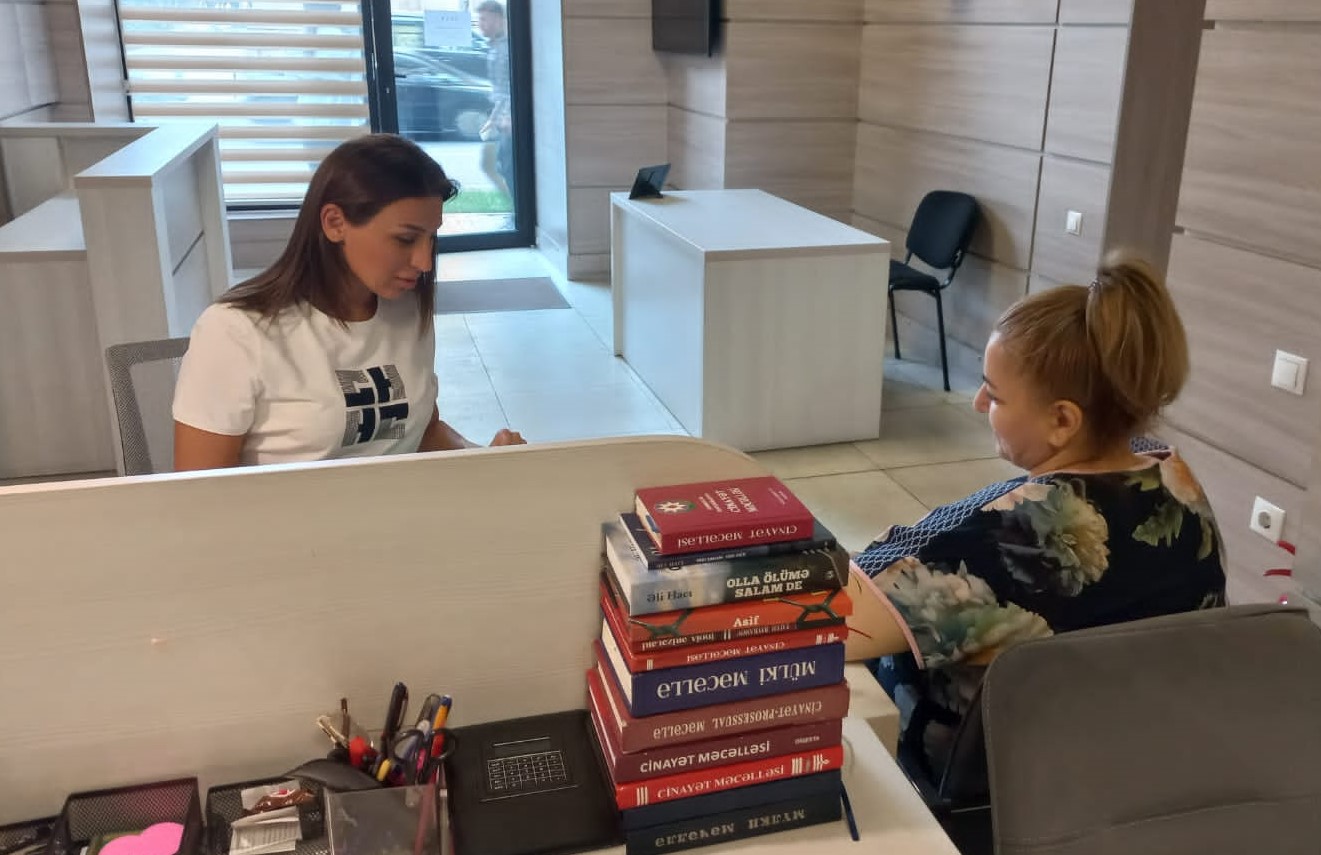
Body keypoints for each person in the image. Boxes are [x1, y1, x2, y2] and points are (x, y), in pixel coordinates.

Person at [843, 251, 1227, 779]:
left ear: (1062, 421)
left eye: (996, 394)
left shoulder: (1019, 533)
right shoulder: (1175, 482)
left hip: (988, 789)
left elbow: (830, 624)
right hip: (1145, 771)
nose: (979, 403)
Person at [173, 133, 525, 471]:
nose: (424, 262)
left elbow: (421, 431)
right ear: (334, 223)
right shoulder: (235, 331)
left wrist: (485, 459)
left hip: (401, 508)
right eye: (405, 239)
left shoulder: (406, 308)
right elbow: (199, 493)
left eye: (431, 238)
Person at [476, 0, 513, 198]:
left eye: (484, 19)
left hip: (508, 120)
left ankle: (516, 202)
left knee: (505, 166)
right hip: (501, 117)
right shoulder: (495, 47)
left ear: (498, 20)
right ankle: (515, 203)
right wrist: (493, 118)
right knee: (496, 165)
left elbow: (509, 89)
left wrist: (507, 117)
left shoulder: (505, 49)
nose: (480, 24)